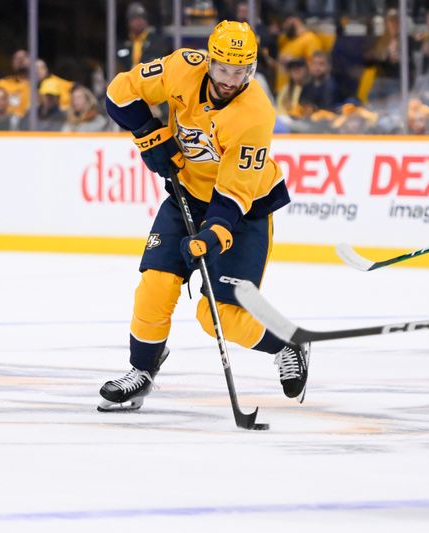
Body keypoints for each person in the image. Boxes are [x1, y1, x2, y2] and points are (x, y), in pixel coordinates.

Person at [98, 21, 310, 411]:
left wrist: (211, 237)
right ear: (209, 61)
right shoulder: (182, 67)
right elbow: (119, 94)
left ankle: (287, 342)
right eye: (224, 69)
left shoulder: (255, 114)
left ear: (252, 69)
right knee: (155, 285)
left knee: (218, 317)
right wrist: (149, 134)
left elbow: (234, 195)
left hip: (243, 212)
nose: (231, 79)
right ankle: (142, 370)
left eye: (241, 71)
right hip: (189, 195)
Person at [116, 2, 171, 73]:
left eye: (142, 18)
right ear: (129, 21)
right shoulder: (123, 44)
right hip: (128, 82)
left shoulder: (157, 43)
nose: (139, 22)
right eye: (135, 18)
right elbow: (119, 67)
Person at [0, 49, 31, 118]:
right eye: (17, 58)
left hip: (34, 125)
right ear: (12, 64)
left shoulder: (39, 83)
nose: (20, 60)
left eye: (24, 57)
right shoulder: (3, 84)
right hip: (8, 124)